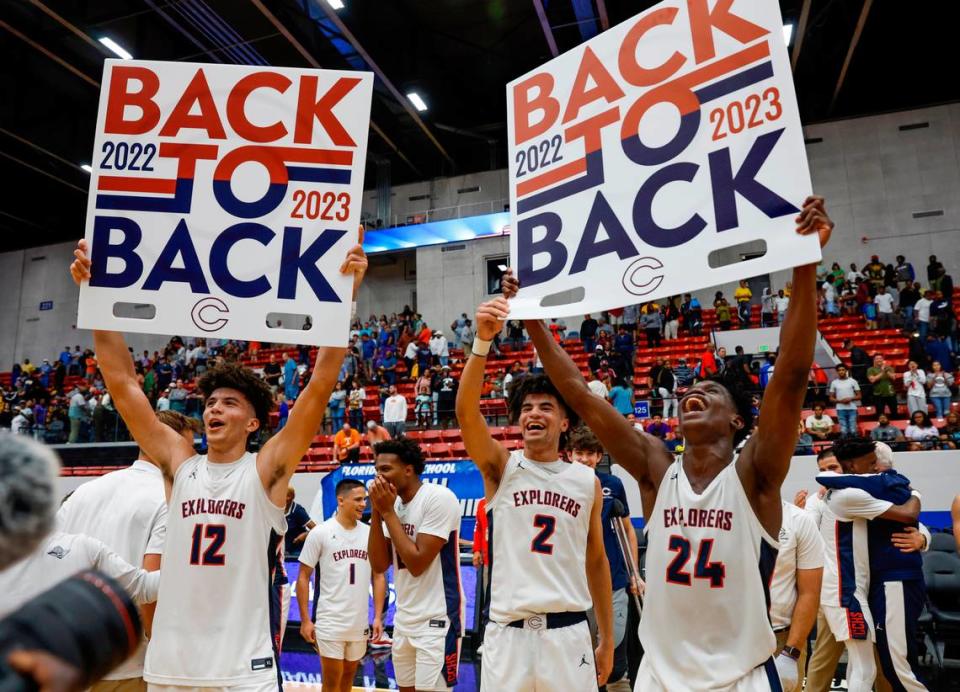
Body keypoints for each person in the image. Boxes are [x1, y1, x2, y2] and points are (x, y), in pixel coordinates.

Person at [504, 195, 833, 690]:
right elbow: (577, 392)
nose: (693, 392)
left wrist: (804, 264)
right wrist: (529, 315)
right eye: (690, 390)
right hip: (659, 674)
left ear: (739, 419)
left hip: (738, 674)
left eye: (711, 392)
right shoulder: (657, 467)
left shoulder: (755, 476)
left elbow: (790, 374)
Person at [69, 235, 367, 691]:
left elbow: (320, 385)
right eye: (210, 403)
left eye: (229, 403)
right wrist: (95, 299)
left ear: (252, 423)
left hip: (241, 668)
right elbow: (124, 383)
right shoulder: (180, 464)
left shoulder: (265, 470)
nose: (214, 410)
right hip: (172, 664)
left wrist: (345, 298)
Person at [455, 301, 614, 690]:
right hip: (507, 636)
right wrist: (482, 343)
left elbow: (596, 559)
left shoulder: (585, 480)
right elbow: (465, 414)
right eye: (526, 408)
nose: (533, 414)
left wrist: (607, 638)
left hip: (569, 632)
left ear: (564, 423)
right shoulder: (501, 468)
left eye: (545, 407)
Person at [56, 409, 198, 690]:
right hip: (129, 665)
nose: (193, 456)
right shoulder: (169, 498)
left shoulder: (84, 491)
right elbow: (151, 584)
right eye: (190, 447)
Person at [816, 437, 929, 691]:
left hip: (856, 588)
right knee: (865, 668)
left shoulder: (857, 492)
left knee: (862, 666)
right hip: (845, 591)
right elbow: (908, 514)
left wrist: (923, 539)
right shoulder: (849, 495)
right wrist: (915, 492)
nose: (877, 467)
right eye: (871, 462)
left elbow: (908, 524)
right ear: (853, 466)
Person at [367, 439, 463, 692]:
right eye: (377, 470)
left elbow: (418, 562)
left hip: (437, 618)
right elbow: (378, 564)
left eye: (386, 469)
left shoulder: (438, 498)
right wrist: (377, 512)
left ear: (408, 470)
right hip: (405, 618)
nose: (379, 476)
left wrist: (387, 513)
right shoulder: (393, 505)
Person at [568, 427, 641, 692]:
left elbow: (628, 530)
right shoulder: (561, 485)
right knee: (580, 659)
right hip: (576, 584)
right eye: (579, 453)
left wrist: (635, 573)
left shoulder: (613, 485)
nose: (585, 459)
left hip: (613, 580)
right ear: (569, 455)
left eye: (591, 453)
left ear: (599, 456)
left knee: (616, 664)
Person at [298, 479, 386, 692]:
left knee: (348, 681)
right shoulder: (321, 532)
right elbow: (303, 576)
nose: (363, 504)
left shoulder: (370, 533)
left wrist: (377, 616)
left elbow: (379, 575)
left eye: (365, 499)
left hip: (358, 622)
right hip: (330, 621)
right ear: (341, 500)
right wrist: (305, 620)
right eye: (358, 499)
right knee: (331, 682)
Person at [769, 498, 824, 691]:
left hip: (782, 637)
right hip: (730, 637)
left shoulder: (799, 519)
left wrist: (790, 653)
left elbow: (809, 593)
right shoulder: (722, 516)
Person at [829, 365, 861, 436]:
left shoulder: (853, 381)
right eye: (839, 370)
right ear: (837, 372)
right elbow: (831, 398)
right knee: (844, 431)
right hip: (840, 409)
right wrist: (841, 401)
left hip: (852, 408)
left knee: (853, 430)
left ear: (846, 371)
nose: (841, 371)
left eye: (843, 370)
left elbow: (859, 396)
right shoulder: (834, 383)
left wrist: (850, 398)